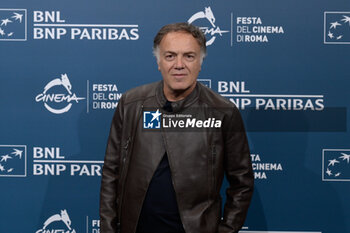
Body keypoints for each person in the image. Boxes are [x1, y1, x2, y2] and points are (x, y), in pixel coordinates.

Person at [100, 22, 254, 233]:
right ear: (159, 62)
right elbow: (111, 173)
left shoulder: (223, 112)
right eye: (170, 56)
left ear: (200, 62)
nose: (179, 64)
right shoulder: (131, 104)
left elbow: (242, 183)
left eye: (189, 56)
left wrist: (226, 230)